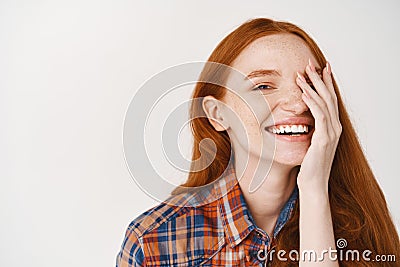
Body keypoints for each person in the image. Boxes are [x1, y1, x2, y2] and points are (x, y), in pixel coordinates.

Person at [116, 18, 400, 266]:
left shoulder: (363, 228)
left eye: (310, 85)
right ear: (217, 114)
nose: (298, 103)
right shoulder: (153, 243)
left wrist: (315, 190)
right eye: (263, 86)